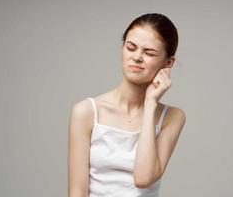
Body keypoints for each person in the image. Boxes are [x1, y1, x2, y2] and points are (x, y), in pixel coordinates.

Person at [68, 13, 186, 197]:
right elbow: (76, 192)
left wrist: (150, 104)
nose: (137, 57)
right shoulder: (86, 112)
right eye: (131, 47)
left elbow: (143, 179)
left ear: (168, 63)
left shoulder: (172, 117)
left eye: (149, 53)